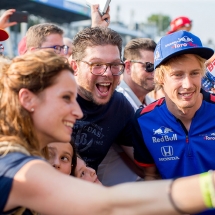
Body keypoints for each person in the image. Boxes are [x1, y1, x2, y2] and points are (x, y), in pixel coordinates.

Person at [1, 50, 215, 215]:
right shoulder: (14, 166)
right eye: (66, 98)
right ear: (27, 99)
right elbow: (108, 203)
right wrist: (208, 188)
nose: (77, 112)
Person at [132, 30, 215, 214]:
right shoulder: (144, 121)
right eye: (177, 75)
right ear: (160, 77)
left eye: (194, 73)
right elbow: (151, 176)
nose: (188, 84)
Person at [70, 26, 138, 176]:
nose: (107, 73)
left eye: (114, 65)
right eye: (97, 65)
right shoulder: (52, 98)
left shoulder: (120, 106)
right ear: (75, 67)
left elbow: (143, 161)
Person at [98, 38, 156, 185]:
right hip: (112, 195)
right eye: (149, 66)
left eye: (159, 67)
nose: (154, 73)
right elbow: (142, 166)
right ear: (128, 67)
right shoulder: (116, 100)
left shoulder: (150, 103)